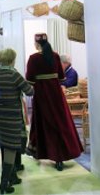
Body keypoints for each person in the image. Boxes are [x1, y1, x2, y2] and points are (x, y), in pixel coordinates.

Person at [26, 33, 83, 170]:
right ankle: (61, 156)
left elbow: (30, 79)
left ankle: (40, 151)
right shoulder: (56, 56)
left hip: (41, 95)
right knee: (60, 122)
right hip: (56, 94)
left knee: (43, 123)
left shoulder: (33, 58)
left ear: (36, 44)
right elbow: (62, 77)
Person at [0, 48, 33, 194]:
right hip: (12, 118)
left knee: (4, 146)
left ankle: (12, 177)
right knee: (11, 148)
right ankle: (4, 183)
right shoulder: (14, 75)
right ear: (12, 60)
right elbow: (30, 91)